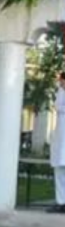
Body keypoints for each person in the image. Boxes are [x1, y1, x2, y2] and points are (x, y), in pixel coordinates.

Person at [49, 73, 65, 213]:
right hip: (61, 136)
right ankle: (61, 202)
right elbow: (57, 106)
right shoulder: (61, 91)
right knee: (59, 170)